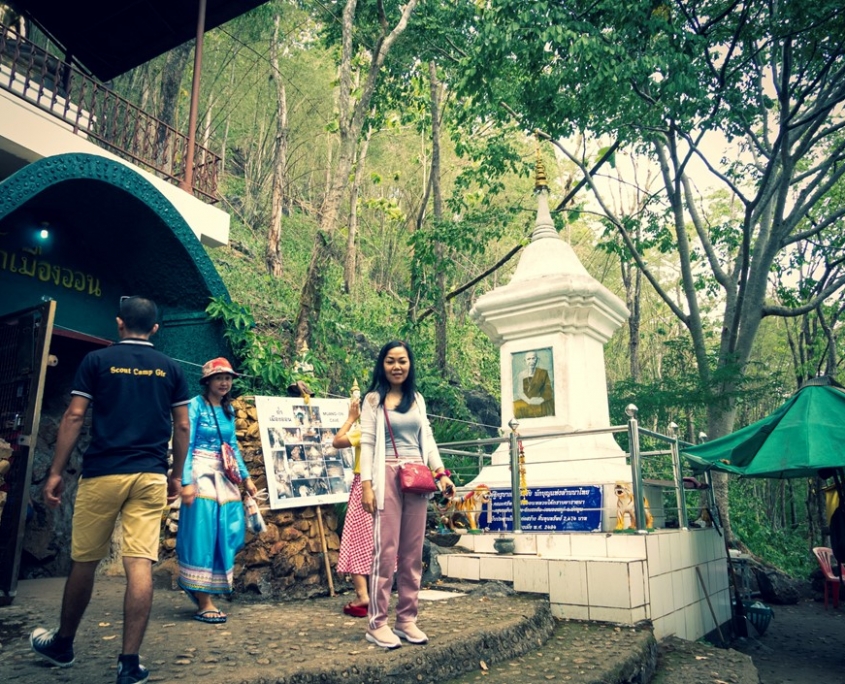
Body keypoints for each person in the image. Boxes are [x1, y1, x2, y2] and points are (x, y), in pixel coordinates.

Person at [30, 296, 190, 684]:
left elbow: (74, 414)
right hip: (150, 475)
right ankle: (129, 664)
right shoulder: (172, 368)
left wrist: (55, 472)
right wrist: (177, 475)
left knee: (84, 561)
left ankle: (63, 645)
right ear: (155, 329)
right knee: (139, 564)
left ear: (119, 324)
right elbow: (183, 426)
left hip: (102, 472)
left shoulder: (97, 361)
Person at [359, 341, 455, 649]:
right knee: (385, 553)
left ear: (410, 364)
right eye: (390, 361)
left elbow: (426, 438)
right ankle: (377, 623)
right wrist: (367, 485)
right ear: (382, 365)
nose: (396, 366)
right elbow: (369, 444)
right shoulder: (373, 400)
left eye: (402, 361)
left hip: (416, 479)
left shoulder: (417, 400)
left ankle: (406, 620)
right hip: (386, 476)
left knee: (413, 554)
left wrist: (440, 472)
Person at [176, 357, 257, 623]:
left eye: (228, 378)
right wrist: (186, 480)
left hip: (224, 474)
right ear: (207, 381)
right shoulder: (195, 406)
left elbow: (231, 445)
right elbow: (185, 444)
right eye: (219, 377)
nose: (224, 382)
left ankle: (205, 589)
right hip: (200, 471)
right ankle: (203, 599)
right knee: (203, 531)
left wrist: (245, 479)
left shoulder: (228, 410)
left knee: (231, 528)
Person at [333, 394, 369, 617]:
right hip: (386, 488)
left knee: (356, 540)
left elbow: (337, 441)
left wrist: (351, 417)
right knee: (377, 542)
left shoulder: (364, 429)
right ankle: (376, 594)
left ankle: (362, 595)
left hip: (363, 486)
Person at [513, 350, 554, 419]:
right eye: (528, 359)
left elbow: (548, 390)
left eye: (533, 358)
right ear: (525, 361)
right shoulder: (521, 374)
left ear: (537, 359)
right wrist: (529, 401)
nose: (531, 361)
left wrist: (540, 400)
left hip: (540, 400)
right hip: (527, 400)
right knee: (515, 406)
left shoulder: (543, 373)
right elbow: (520, 392)